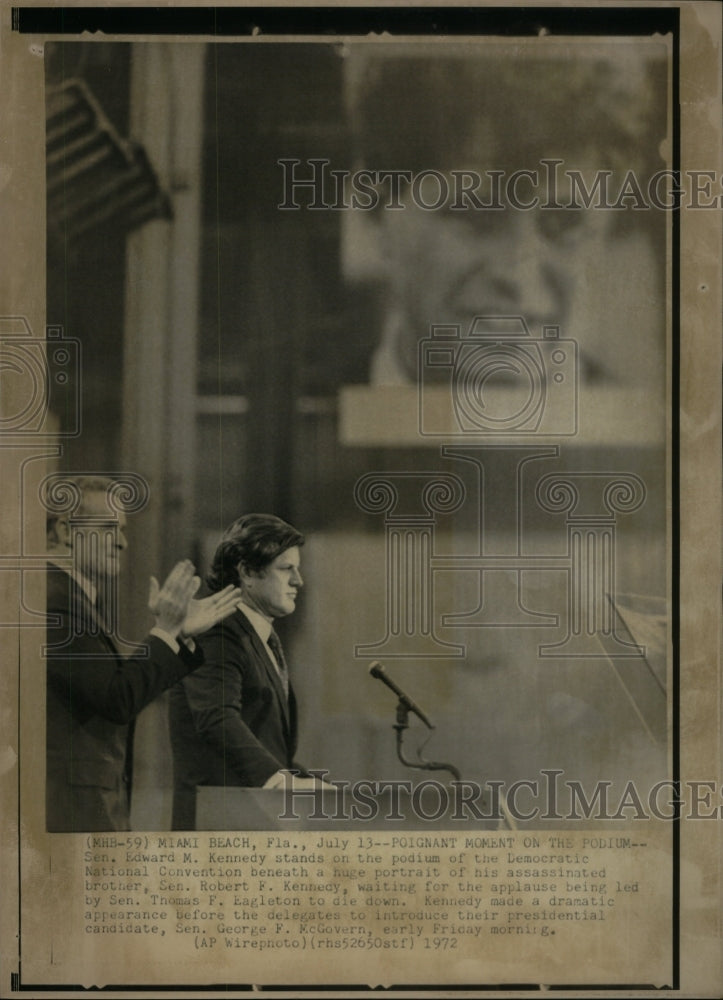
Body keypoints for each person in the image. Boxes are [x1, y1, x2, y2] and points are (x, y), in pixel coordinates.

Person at [345, 46, 668, 422]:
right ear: (374, 211)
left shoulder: (646, 432)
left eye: (563, 225)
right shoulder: (289, 428)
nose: (518, 275)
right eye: (473, 215)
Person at [45, 475, 240, 832]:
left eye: (122, 529)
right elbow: (117, 697)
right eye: (107, 527)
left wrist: (174, 633)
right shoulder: (54, 603)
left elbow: (111, 689)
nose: (122, 542)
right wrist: (165, 631)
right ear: (65, 530)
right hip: (71, 813)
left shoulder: (69, 600)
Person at [168, 513, 328, 830]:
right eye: (286, 569)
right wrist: (281, 782)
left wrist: (318, 789)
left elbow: (265, 743)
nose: (299, 580)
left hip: (245, 822)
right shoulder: (216, 632)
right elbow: (217, 719)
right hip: (216, 828)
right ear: (248, 573)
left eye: (297, 569)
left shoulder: (254, 635)